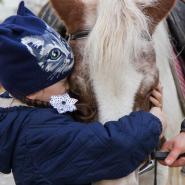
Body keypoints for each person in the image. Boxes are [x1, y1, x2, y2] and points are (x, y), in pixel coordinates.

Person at [0, 2, 166, 185]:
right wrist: (154, 121)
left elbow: (75, 105)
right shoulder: (41, 134)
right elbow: (114, 145)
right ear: (33, 91)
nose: (68, 87)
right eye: (64, 80)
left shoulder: (32, 107)